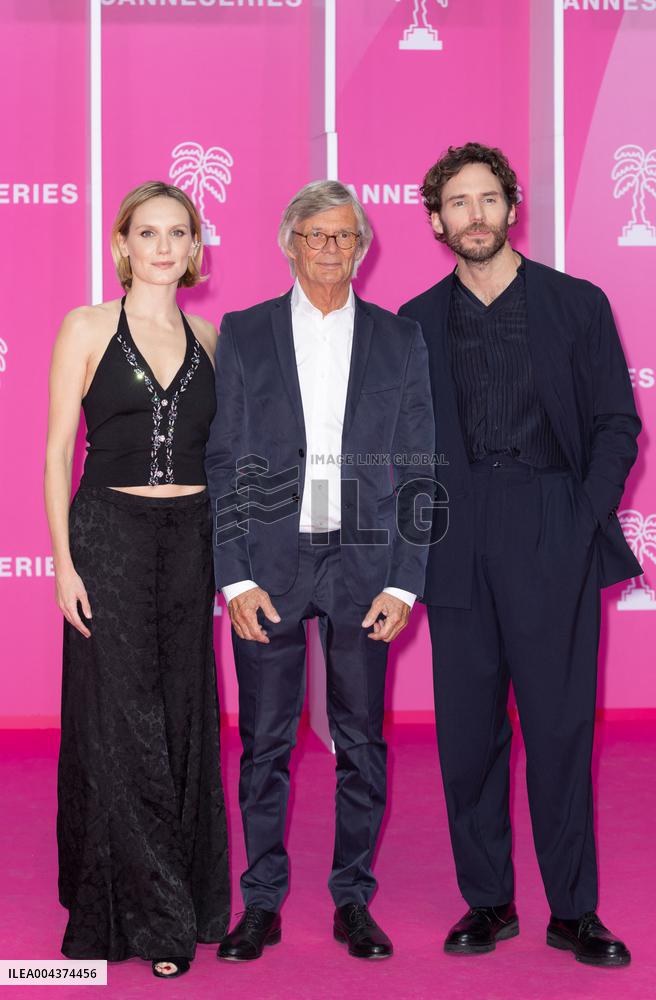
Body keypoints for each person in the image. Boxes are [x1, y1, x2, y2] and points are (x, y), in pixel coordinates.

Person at [399, 143, 640, 967]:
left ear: (512, 208)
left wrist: (578, 520)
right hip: (456, 534)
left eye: (487, 199)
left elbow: (617, 424)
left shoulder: (577, 304)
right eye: (457, 203)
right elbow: (396, 444)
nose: (474, 215)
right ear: (436, 220)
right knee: (468, 734)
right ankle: (488, 902)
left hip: (550, 521)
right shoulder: (415, 321)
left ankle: (575, 910)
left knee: (561, 729)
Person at [206, 180, 435, 962]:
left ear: (362, 249)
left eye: (345, 237)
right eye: (316, 235)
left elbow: (416, 463)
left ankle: (352, 898)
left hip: (365, 565)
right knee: (265, 744)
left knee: (361, 743)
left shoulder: (400, 340)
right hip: (269, 566)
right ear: (290, 243)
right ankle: (261, 901)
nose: (331, 250)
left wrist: (406, 581)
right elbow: (226, 459)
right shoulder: (245, 332)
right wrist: (233, 577)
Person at [45, 181, 230, 979]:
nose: (162, 246)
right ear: (123, 243)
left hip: (191, 538)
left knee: (185, 711)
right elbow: (58, 451)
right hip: (109, 535)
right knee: (122, 720)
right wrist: (62, 560)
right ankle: (155, 919)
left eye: (177, 233)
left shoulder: (213, 337)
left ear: (194, 248)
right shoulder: (85, 326)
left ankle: (185, 887)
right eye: (147, 232)